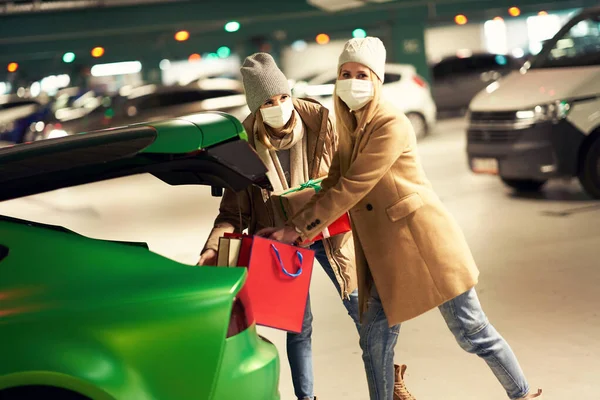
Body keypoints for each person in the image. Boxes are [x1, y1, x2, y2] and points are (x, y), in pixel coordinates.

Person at [259, 37, 543, 400]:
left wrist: (298, 229)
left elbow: (351, 186)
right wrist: (288, 228)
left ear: (376, 80)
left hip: (425, 243)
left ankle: (522, 394)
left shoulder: (389, 123)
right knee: (374, 343)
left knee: (471, 332)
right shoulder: (350, 124)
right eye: (345, 73)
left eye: (361, 74)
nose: (351, 81)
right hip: (382, 253)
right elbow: (331, 182)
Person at [198, 53, 415, 400]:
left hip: (328, 232)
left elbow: (343, 180)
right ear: (255, 107)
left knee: (365, 313)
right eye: (268, 102)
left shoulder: (320, 122)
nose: (279, 106)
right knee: (299, 328)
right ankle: (307, 397)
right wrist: (212, 247)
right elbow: (234, 213)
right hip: (278, 244)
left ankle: (392, 384)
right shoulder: (241, 146)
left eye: (283, 97)